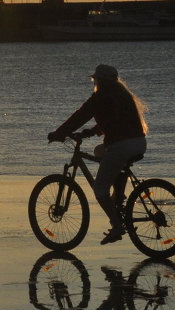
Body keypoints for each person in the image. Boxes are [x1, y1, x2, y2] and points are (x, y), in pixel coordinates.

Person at [47, 64, 148, 244]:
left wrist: (59, 133)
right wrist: (91, 132)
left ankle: (117, 226)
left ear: (99, 81)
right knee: (99, 151)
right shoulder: (123, 95)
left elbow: (79, 116)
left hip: (121, 146)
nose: (95, 83)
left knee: (100, 189)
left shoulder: (100, 97)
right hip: (139, 143)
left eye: (95, 80)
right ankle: (118, 196)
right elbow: (113, 120)